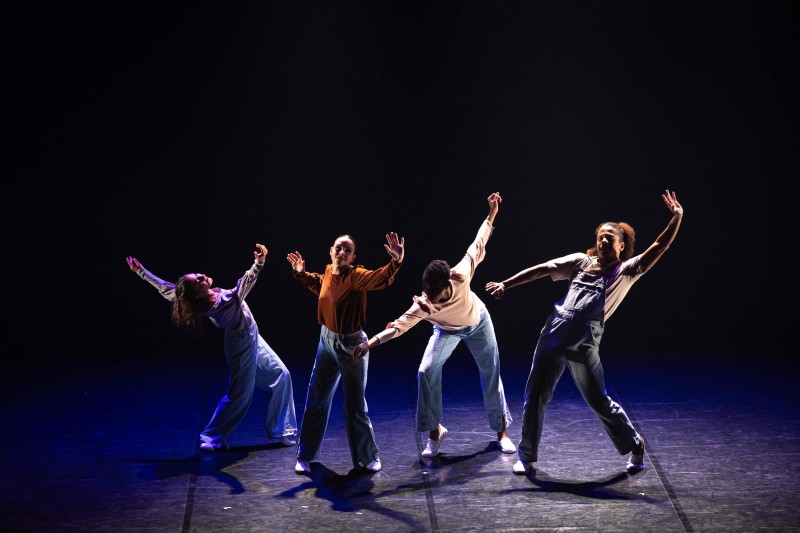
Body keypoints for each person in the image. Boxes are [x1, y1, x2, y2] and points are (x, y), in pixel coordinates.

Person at [485, 189, 683, 475]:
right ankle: (526, 455)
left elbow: (659, 246)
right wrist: (506, 283)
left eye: (609, 237)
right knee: (535, 394)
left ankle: (635, 443)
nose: (602, 241)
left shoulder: (627, 270)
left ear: (621, 244)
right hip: (554, 331)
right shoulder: (581, 262)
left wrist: (676, 217)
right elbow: (543, 268)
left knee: (598, 399)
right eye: (600, 236)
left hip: (584, 341)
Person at [353, 192, 515, 458]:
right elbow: (398, 327)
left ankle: (502, 432)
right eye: (425, 289)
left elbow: (480, 240)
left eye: (432, 291)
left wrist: (493, 212)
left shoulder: (461, 274)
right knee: (425, 371)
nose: (426, 295)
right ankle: (435, 431)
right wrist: (369, 343)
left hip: (478, 323)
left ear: (447, 283)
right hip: (446, 330)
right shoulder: (424, 304)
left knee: (491, 372)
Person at [126, 244, 298, 452]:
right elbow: (245, 284)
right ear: (197, 294)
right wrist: (258, 263)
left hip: (253, 334)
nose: (201, 276)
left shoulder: (196, 299)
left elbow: (166, 287)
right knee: (240, 394)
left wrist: (141, 272)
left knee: (282, 374)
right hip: (240, 343)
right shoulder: (223, 301)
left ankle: (283, 430)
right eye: (198, 281)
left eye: (198, 275)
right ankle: (212, 435)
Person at [287, 232, 404, 474]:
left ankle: (367, 456)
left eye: (347, 251)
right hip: (326, 342)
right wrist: (300, 273)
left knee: (354, 406)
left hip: (352, 346)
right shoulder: (329, 272)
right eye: (339, 248)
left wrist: (396, 263)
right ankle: (306, 454)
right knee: (316, 398)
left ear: (353, 257)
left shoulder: (355, 276)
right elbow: (318, 284)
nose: (342, 253)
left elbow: (378, 278)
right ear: (330, 251)